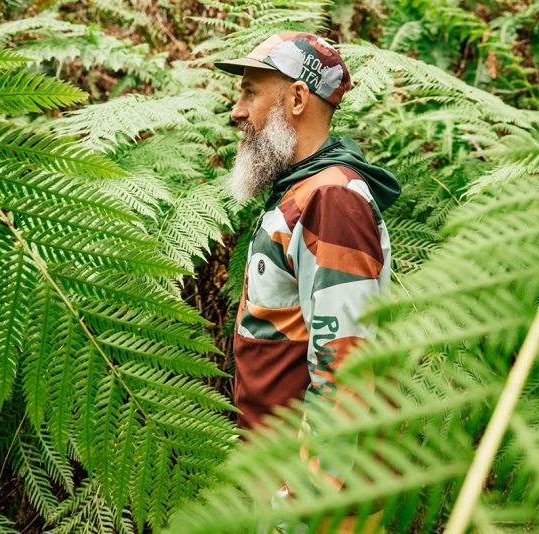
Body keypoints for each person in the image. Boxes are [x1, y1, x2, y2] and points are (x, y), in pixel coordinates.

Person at [216, 34, 399, 530]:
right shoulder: (305, 193)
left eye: (251, 92)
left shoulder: (332, 201)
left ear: (297, 99)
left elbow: (345, 369)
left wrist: (299, 501)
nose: (237, 111)